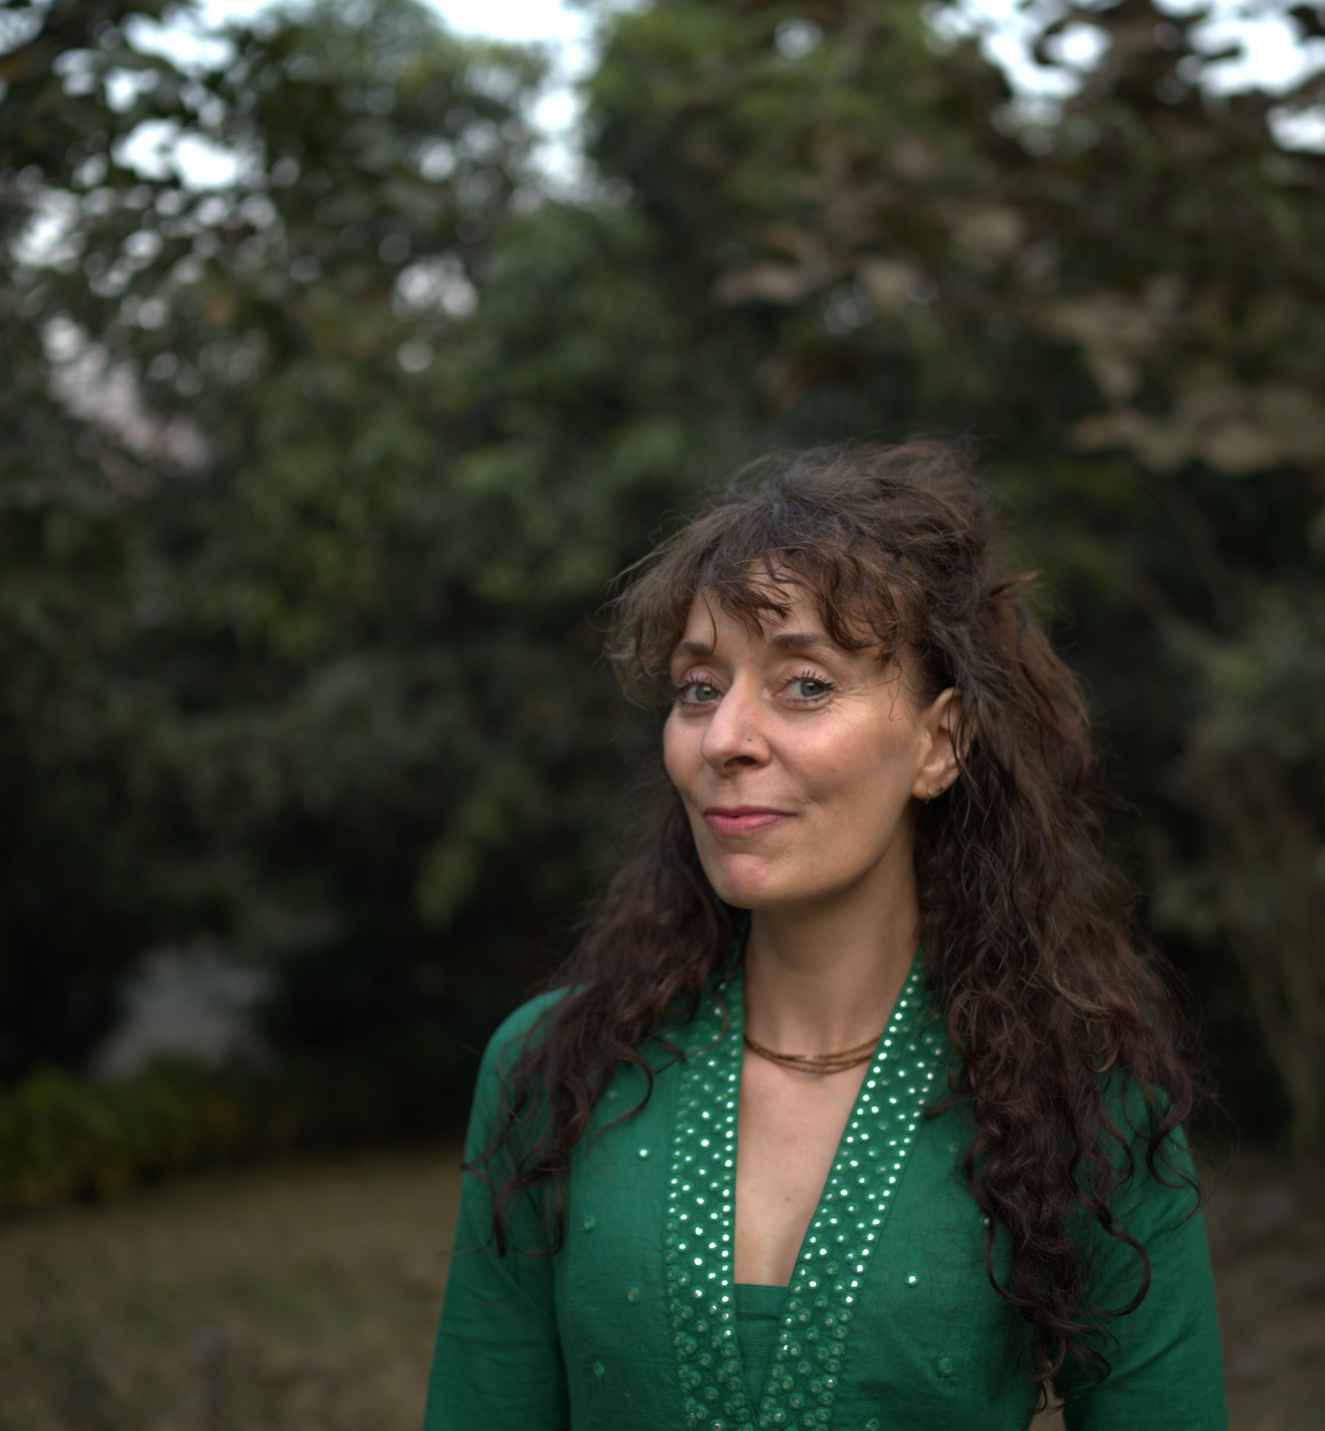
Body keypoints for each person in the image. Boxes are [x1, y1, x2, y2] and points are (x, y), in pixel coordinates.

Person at [423, 443, 1225, 1430]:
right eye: (698, 687)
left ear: (939, 741)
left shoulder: (1086, 1094)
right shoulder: (554, 1072)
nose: (725, 738)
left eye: (803, 684)